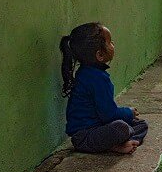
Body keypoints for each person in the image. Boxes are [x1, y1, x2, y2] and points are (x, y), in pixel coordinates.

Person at [60, 22, 148, 153]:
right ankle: (117, 145)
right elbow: (109, 115)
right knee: (122, 127)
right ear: (100, 55)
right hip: (86, 137)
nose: (113, 45)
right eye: (110, 42)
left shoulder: (86, 72)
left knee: (140, 124)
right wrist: (128, 112)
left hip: (95, 129)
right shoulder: (97, 79)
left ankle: (122, 143)